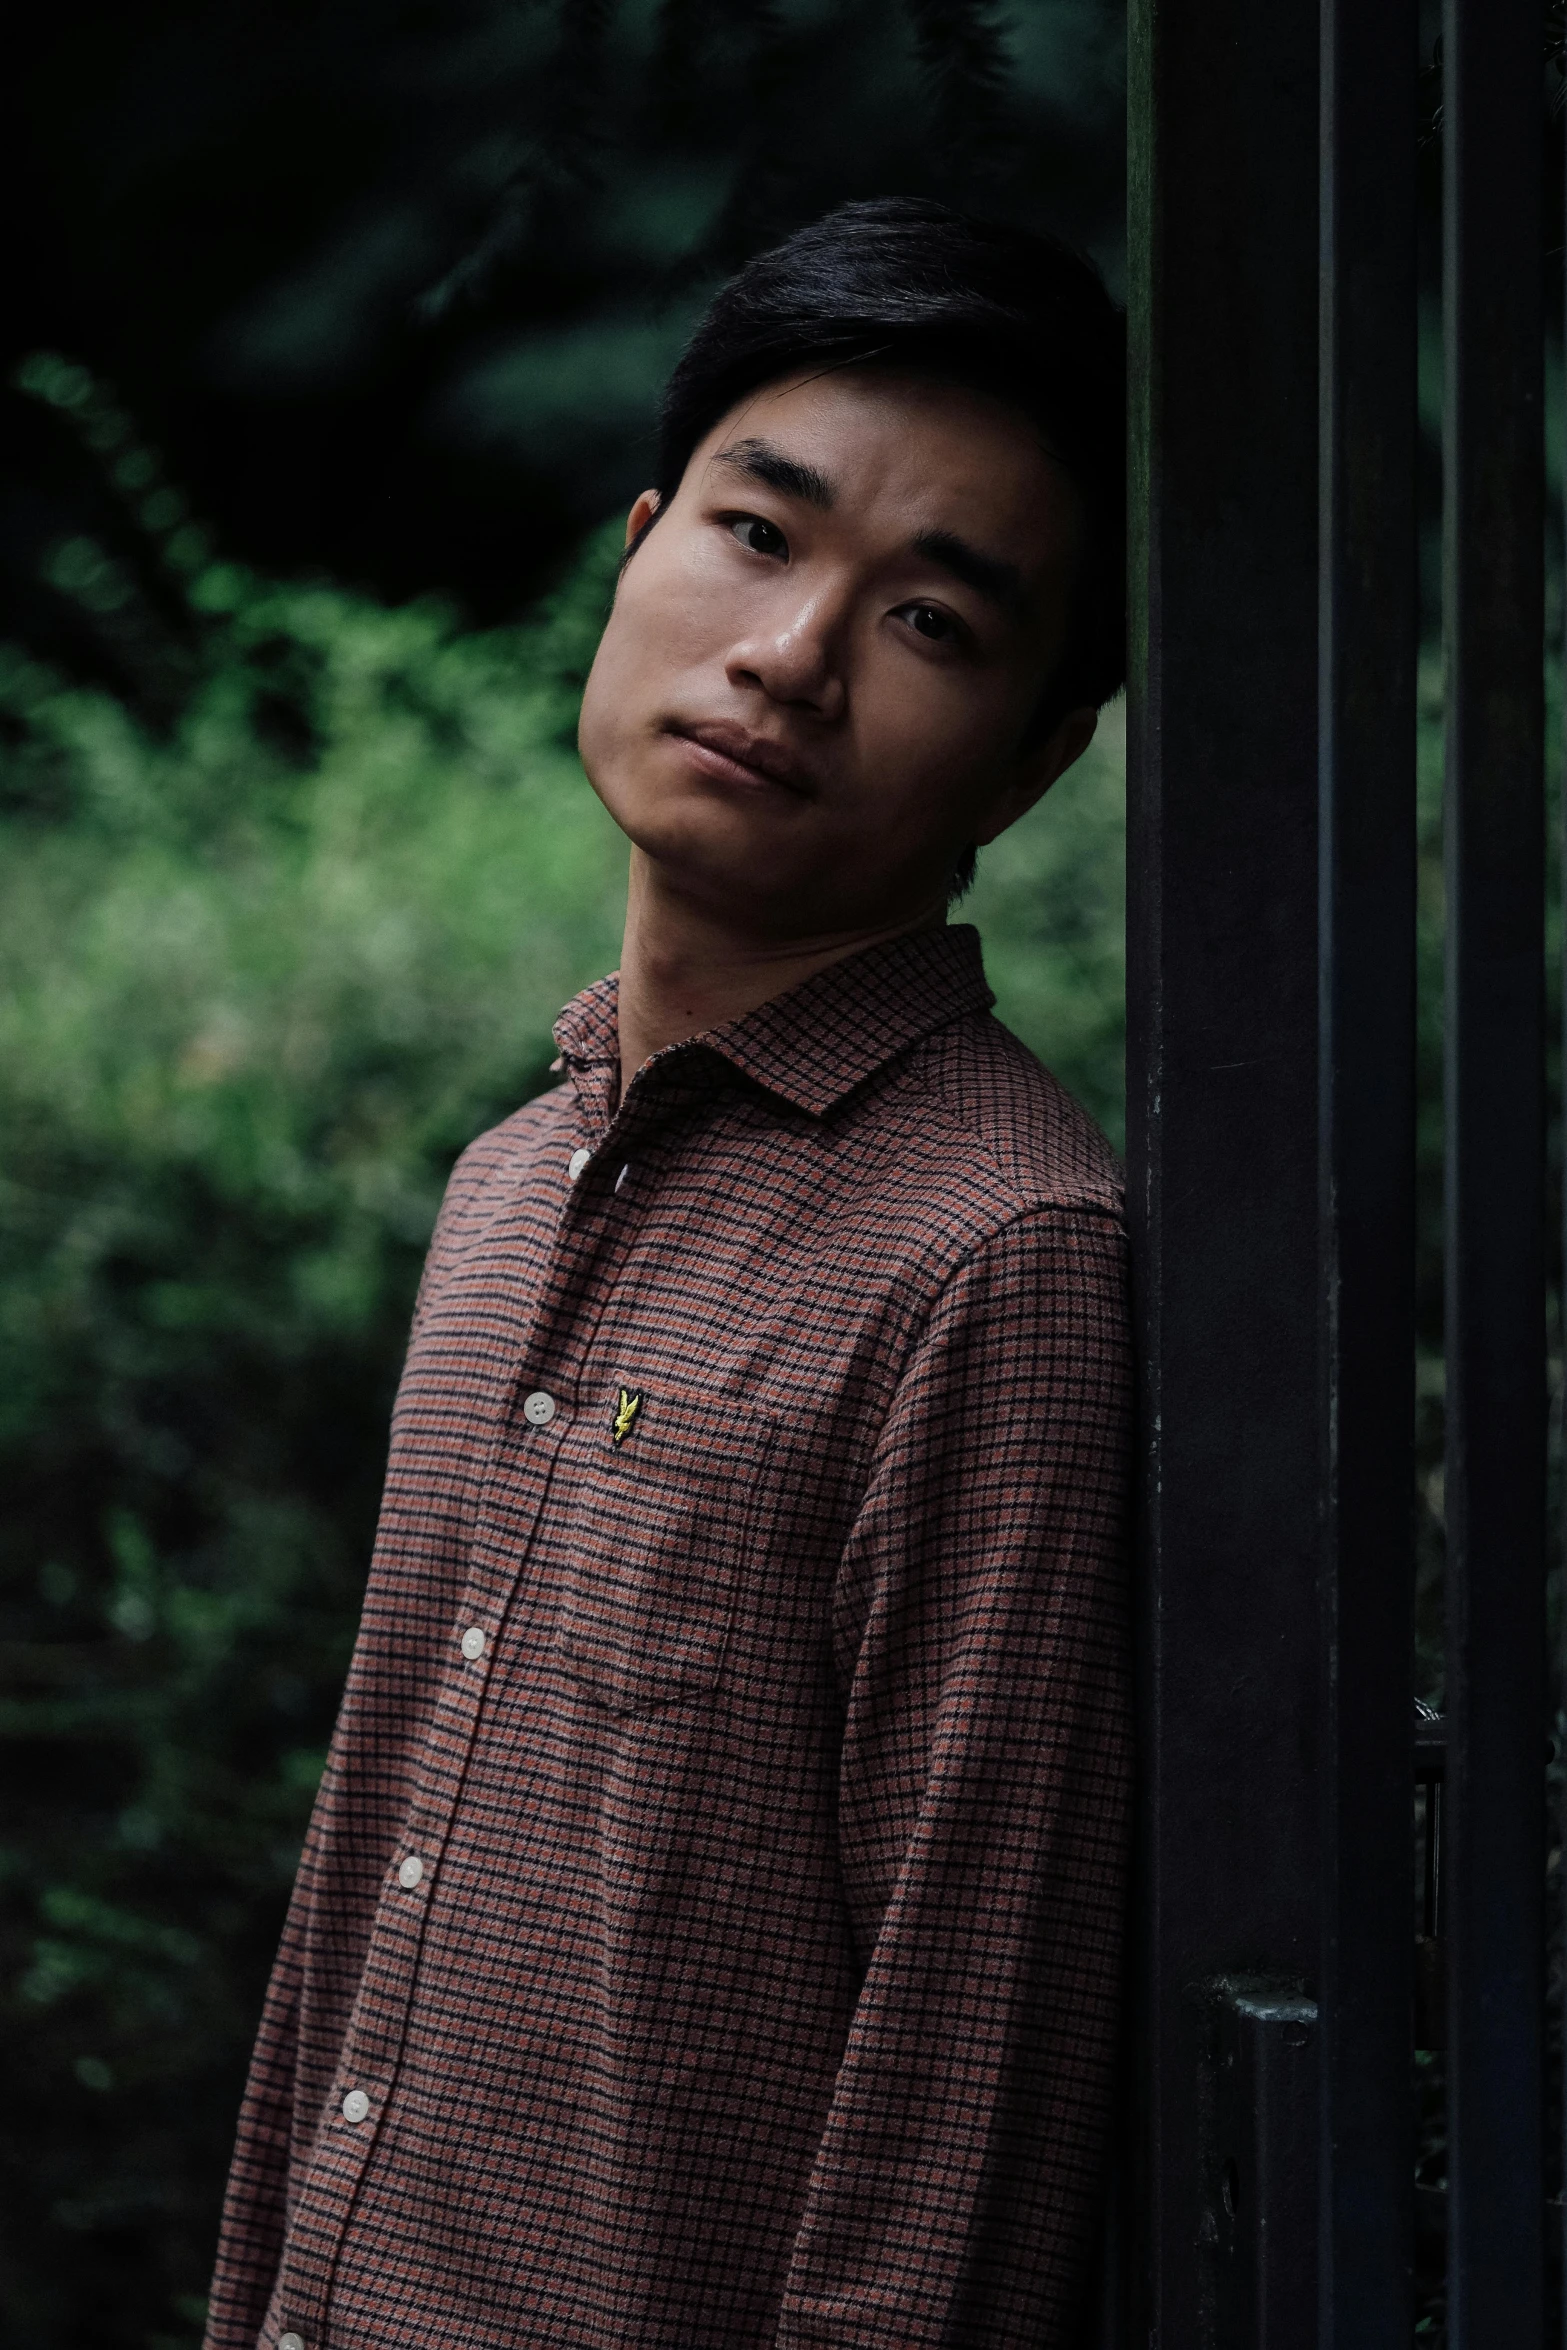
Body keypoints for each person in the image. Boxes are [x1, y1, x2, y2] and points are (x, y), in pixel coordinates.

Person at [205, 194, 1132, 2350]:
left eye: (933, 622)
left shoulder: (998, 1253)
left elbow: (957, 2104)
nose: (793, 654)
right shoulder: (508, 1184)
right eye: (759, 531)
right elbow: (363, 1901)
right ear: (638, 544)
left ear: (1036, 754)